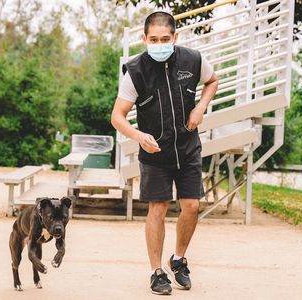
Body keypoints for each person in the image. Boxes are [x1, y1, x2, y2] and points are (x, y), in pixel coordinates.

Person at [111, 11, 218, 295]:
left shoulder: (193, 60)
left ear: (175, 37)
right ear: (144, 39)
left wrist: (200, 107)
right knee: (157, 208)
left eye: (165, 39)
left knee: (192, 206)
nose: (159, 44)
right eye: (154, 39)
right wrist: (137, 135)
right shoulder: (135, 71)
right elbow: (118, 116)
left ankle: (179, 259)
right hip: (155, 152)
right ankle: (156, 272)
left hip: (188, 147)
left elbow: (212, 82)